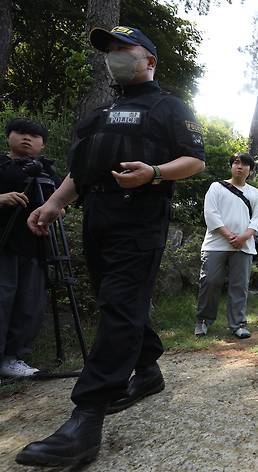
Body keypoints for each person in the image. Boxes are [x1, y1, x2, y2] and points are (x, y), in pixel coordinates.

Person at [17, 26, 206, 467]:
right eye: (112, 51)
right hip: (97, 215)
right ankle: (149, 370)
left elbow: (194, 160)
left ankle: (86, 418)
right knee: (115, 302)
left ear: (150, 60)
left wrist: (155, 173)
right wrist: (53, 205)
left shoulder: (169, 107)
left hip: (139, 216)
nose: (116, 57)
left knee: (121, 303)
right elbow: (80, 171)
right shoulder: (99, 112)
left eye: (126, 50)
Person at [0, 118, 58, 381]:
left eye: (34, 136)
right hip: (4, 243)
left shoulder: (47, 172)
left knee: (29, 302)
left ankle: (13, 358)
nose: (26, 138)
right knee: (2, 299)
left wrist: (57, 209)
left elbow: (62, 200)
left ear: (43, 144)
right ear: (8, 136)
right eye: (20, 133)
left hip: (36, 247)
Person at [194, 153, 258, 339]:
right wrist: (229, 235)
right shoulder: (216, 187)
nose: (239, 167)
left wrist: (242, 238)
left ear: (250, 170)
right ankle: (203, 320)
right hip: (215, 244)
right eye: (236, 163)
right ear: (231, 166)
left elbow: (257, 221)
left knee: (239, 286)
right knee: (210, 281)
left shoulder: (255, 193)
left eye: (245, 164)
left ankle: (238, 324)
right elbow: (210, 214)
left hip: (244, 246)